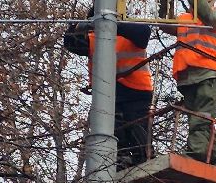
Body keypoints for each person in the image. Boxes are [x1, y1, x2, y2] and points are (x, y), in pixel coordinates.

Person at [62, 13, 155, 168]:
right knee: (112, 126)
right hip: (109, 91)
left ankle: (143, 157)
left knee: (137, 128)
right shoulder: (94, 38)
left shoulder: (132, 29)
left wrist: (112, 23)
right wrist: (82, 25)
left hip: (136, 90)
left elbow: (143, 34)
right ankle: (120, 158)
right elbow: (70, 42)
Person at [169, 0, 216, 166]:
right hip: (188, 78)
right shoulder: (186, 18)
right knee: (201, 121)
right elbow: (164, 23)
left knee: (201, 119)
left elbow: (210, 18)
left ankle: (195, 155)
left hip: (211, 74)